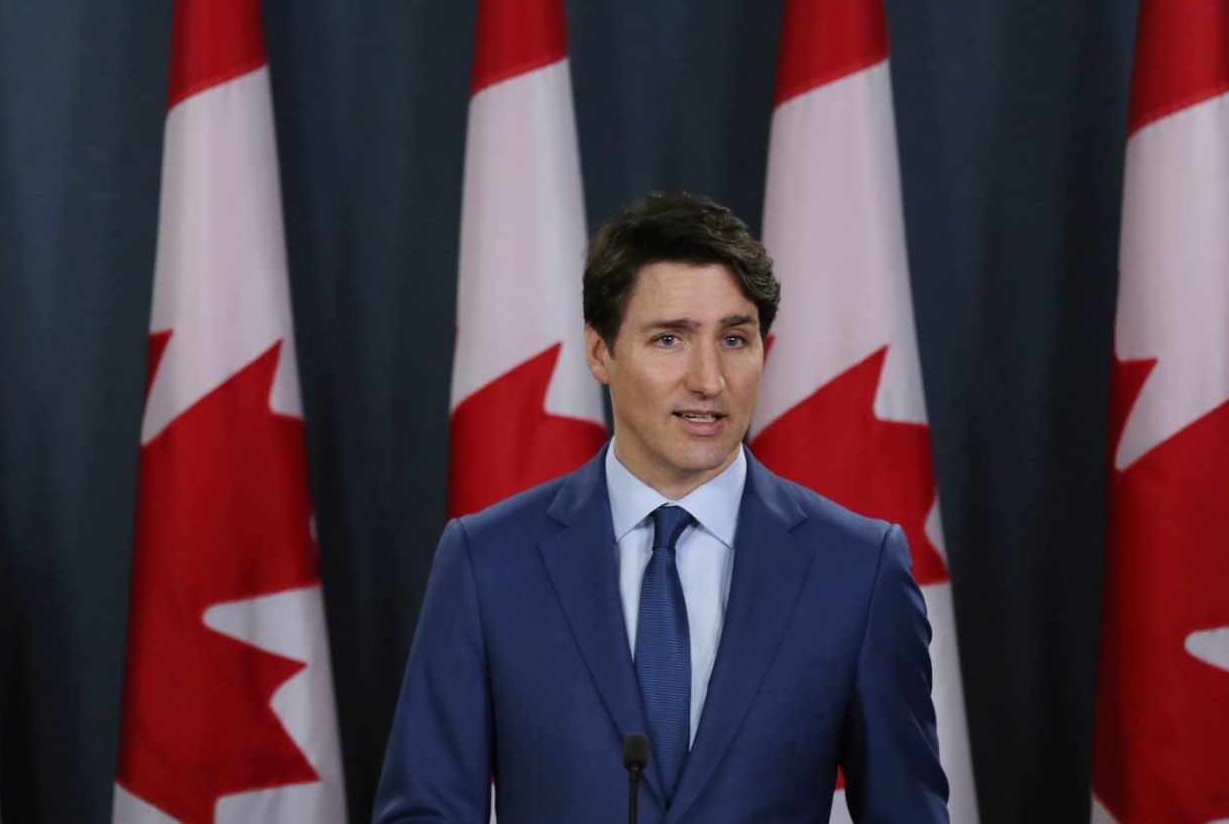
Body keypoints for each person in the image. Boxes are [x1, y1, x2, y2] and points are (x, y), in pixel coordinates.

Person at [373, 193, 948, 823]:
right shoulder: (487, 561)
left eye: (735, 338)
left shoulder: (858, 569)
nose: (709, 379)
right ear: (600, 352)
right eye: (669, 338)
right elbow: (424, 811)